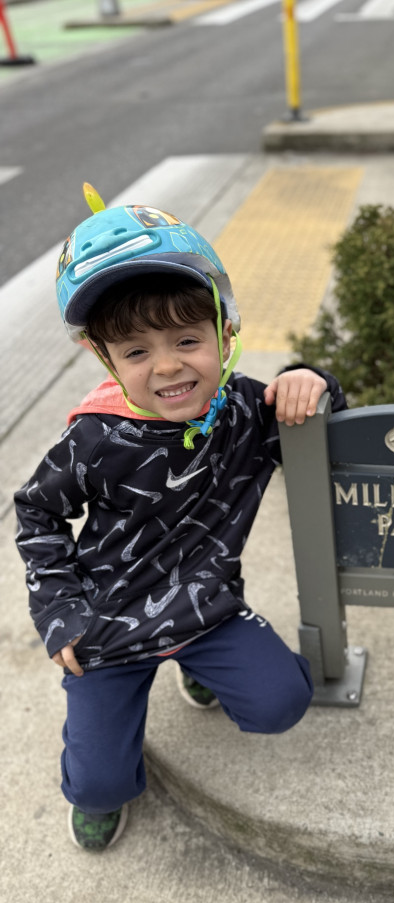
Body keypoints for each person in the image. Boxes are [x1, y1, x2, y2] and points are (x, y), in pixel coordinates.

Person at [15, 185, 347, 852]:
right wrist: (60, 611)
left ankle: (196, 666)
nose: (168, 365)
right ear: (106, 359)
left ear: (226, 332)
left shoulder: (246, 410)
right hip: (108, 628)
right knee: (100, 782)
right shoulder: (93, 440)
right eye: (136, 352)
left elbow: (320, 432)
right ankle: (100, 787)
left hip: (206, 610)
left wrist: (311, 382)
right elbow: (37, 513)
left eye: (187, 339)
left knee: (283, 700)